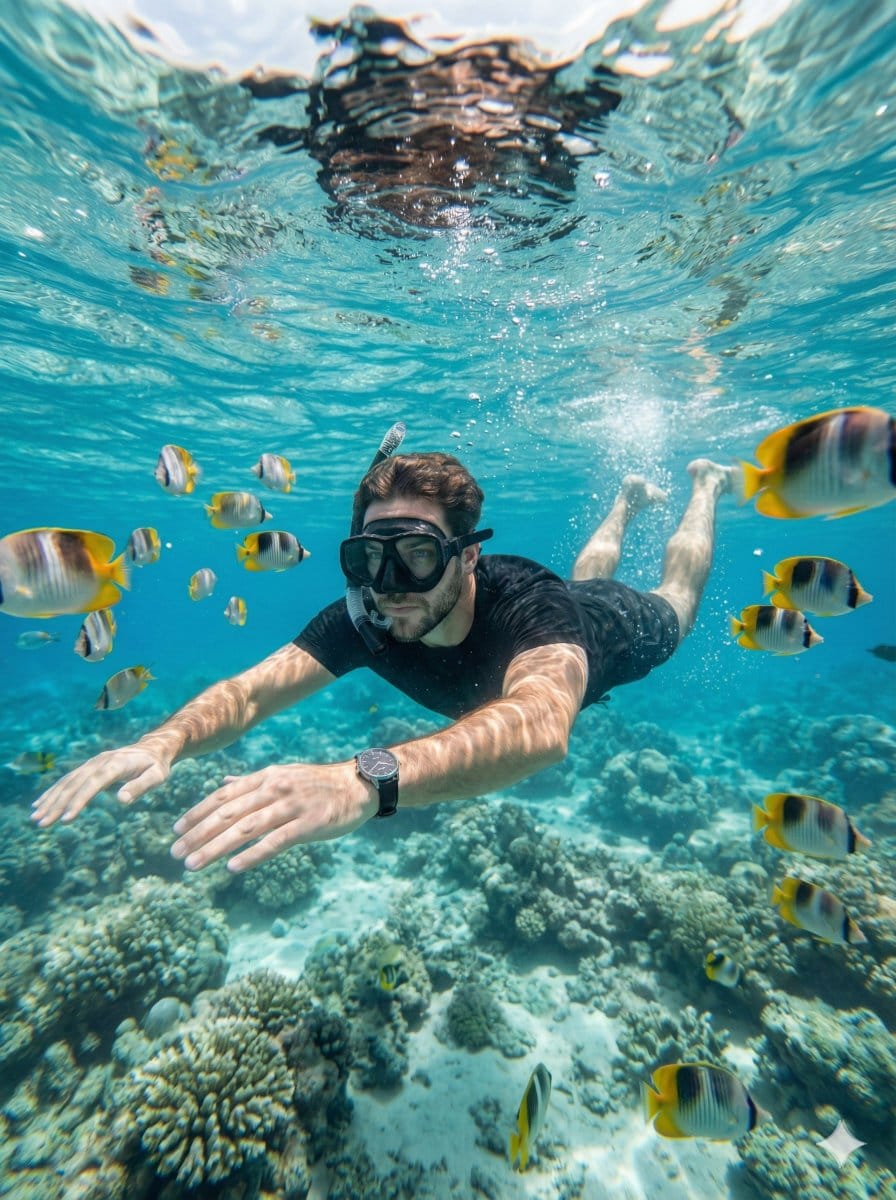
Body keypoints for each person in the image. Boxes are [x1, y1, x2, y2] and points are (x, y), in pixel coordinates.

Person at [32, 450, 733, 874]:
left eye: (419, 555)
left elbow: (542, 724)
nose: (391, 584)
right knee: (591, 569)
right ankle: (627, 501)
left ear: (468, 555)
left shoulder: (531, 607)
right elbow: (248, 695)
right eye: (371, 557)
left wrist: (365, 781)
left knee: (673, 599)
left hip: (607, 631)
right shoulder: (366, 618)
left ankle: (704, 486)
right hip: (574, 600)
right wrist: (165, 741)